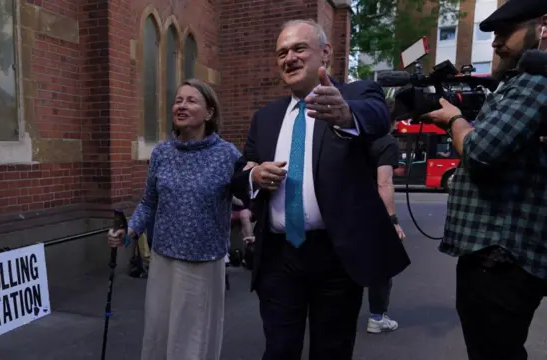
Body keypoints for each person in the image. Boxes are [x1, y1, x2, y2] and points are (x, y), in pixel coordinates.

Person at [231, 19, 410, 360]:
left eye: (299, 48)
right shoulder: (266, 118)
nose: (289, 58)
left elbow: (376, 116)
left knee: (332, 350)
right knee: (279, 349)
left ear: (325, 53)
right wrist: (253, 178)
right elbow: (242, 171)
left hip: (337, 257)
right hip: (279, 257)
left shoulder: (356, 95)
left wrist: (346, 116)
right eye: (282, 52)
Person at [422, 1, 547, 359]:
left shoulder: (535, 79)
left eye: (506, 32)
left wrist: (453, 120)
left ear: (543, 25)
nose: (495, 42)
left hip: (501, 258)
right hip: (500, 257)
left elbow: (481, 151)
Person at [107, 79, 241, 360]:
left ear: (209, 113)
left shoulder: (227, 155)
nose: (181, 106)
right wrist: (129, 230)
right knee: (159, 335)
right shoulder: (162, 154)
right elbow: (148, 203)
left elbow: (250, 189)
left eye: (191, 100)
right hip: (163, 261)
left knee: (192, 341)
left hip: (203, 264)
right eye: (178, 100)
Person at [366, 120, 407, 334]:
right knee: (381, 265)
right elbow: (384, 183)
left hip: (342, 208)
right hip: (372, 213)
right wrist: (393, 221)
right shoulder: (386, 142)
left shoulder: (352, 137)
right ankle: (377, 317)